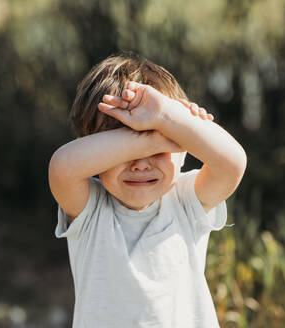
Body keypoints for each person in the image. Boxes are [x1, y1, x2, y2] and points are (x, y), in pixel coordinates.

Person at [48, 53, 247, 327]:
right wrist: (160, 136)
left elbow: (233, 164)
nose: (141, 164)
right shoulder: (90, 211)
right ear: (93, 152)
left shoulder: (186, 201)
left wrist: (168, 116)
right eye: (123, 144)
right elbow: (62, 167)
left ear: (184, 150)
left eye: (161, 147)